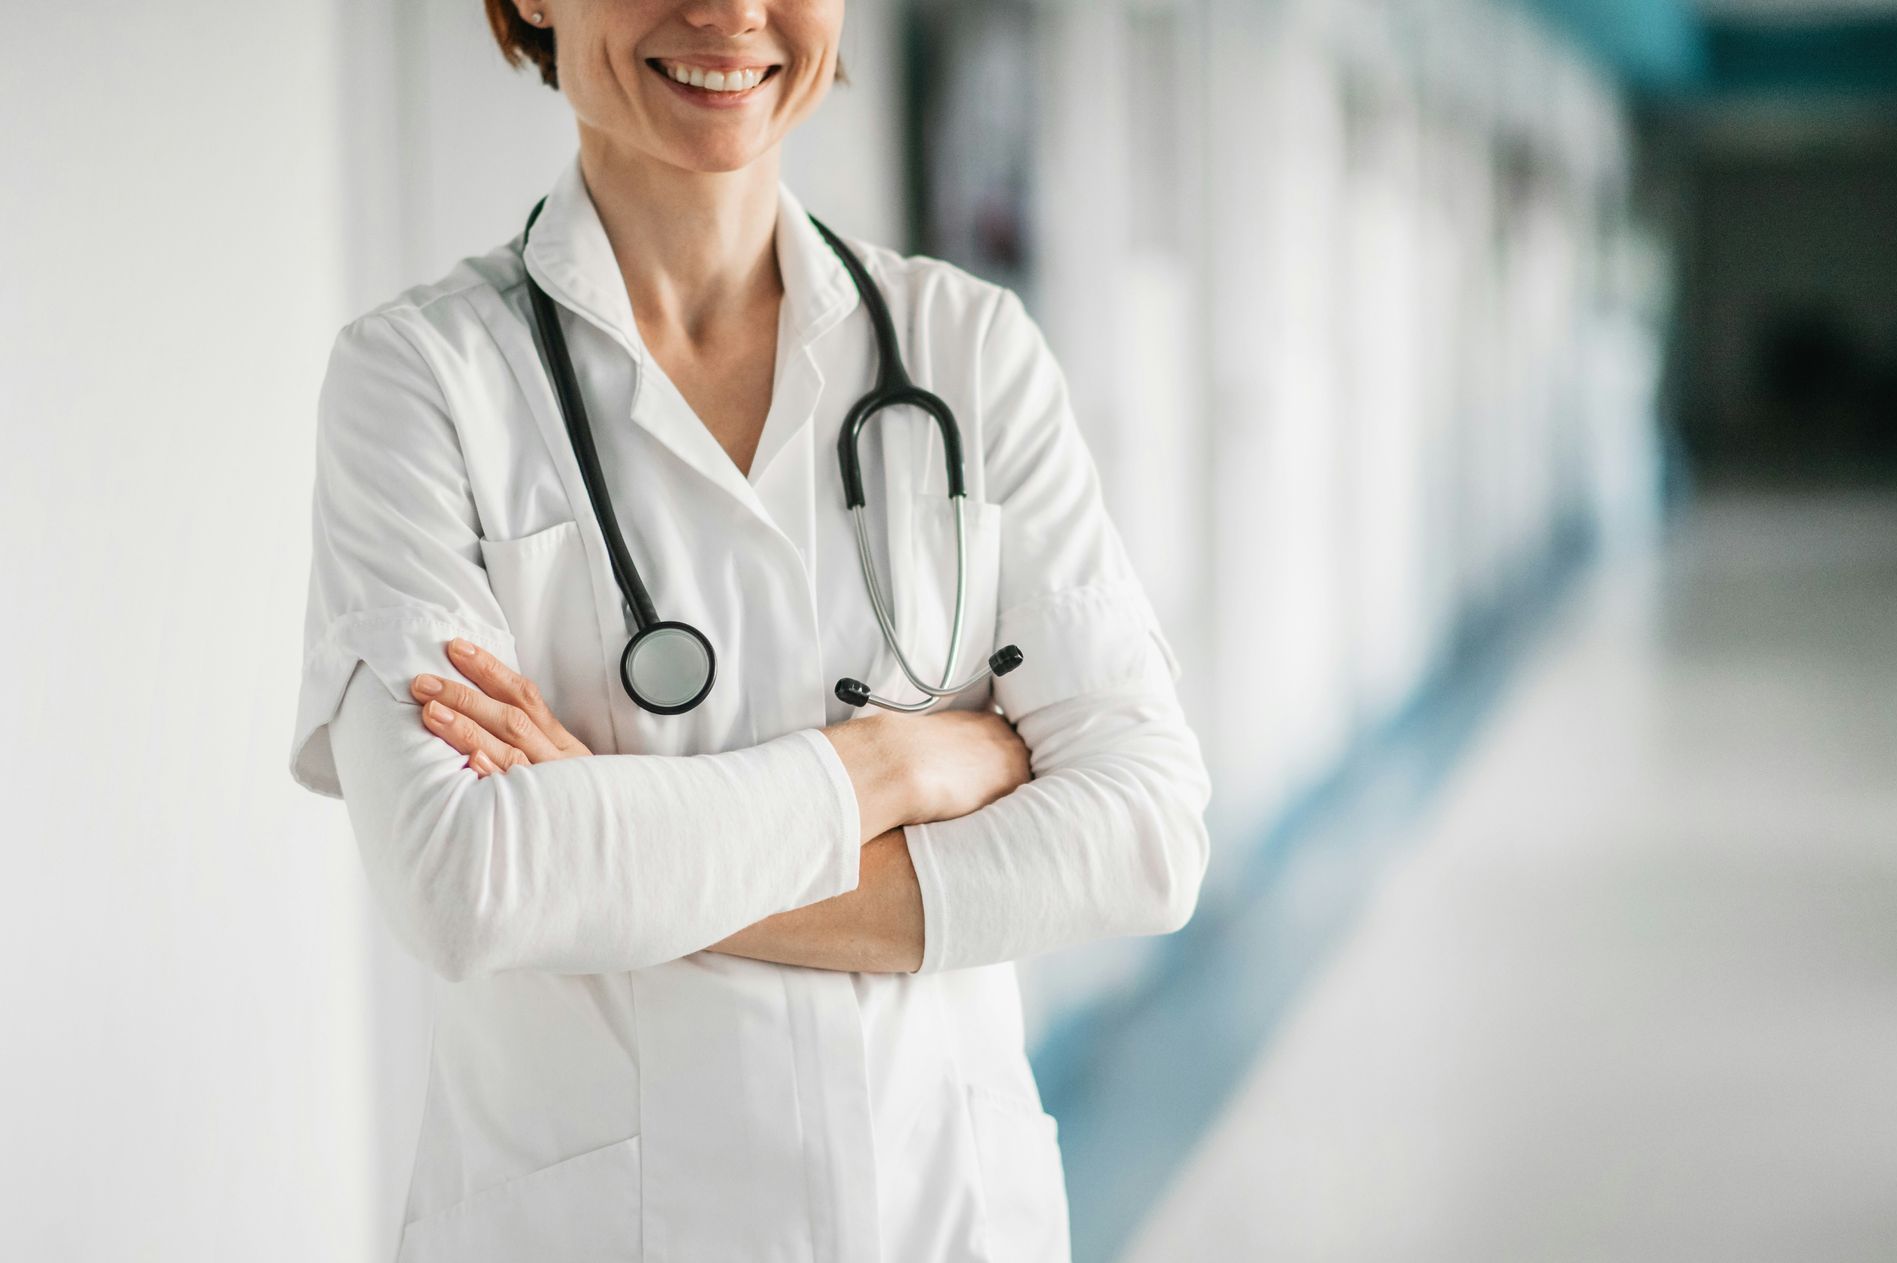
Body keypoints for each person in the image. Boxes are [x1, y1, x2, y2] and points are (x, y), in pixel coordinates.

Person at [287, 1, 1211, 1259]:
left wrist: (613, 851)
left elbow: (1143, 838)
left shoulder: (968, 352)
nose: (729, 12)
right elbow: (469, 879)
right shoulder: (420, 382)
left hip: (939, 1217)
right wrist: (894, 766)